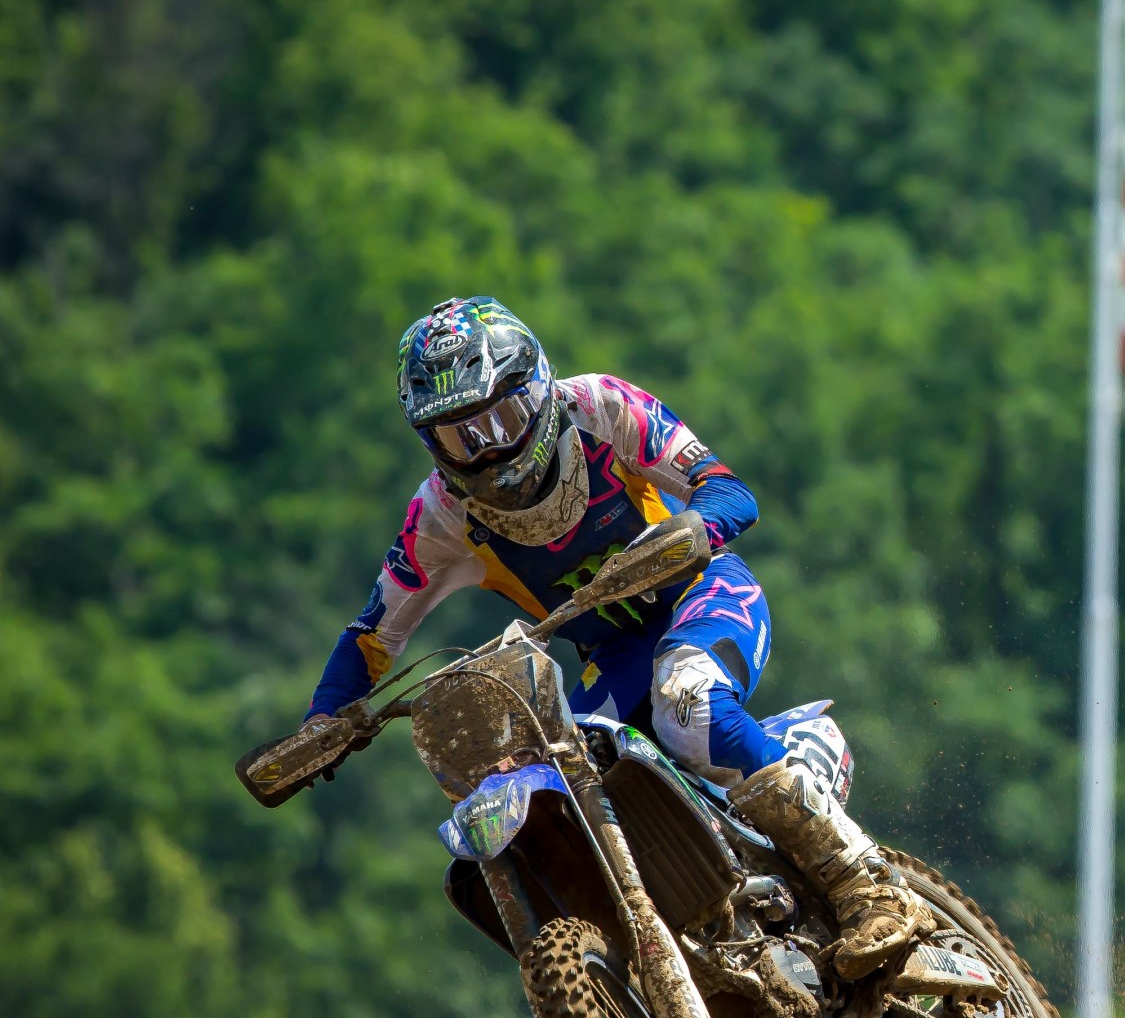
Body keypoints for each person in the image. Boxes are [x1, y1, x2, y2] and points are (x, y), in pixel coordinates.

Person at [305, 295, 929, 978]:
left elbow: (726, 490)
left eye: (503, 418)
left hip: (704, 594)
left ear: (536, 386)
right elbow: (372, 636)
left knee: (686, 699)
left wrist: (693, 528)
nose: (489, 448)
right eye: (462, 436)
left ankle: (866, 885)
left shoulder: (600, 408)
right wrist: (322, 721)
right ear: (431, 441)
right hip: (614, 654)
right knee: (562, 772)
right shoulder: (442, 516)